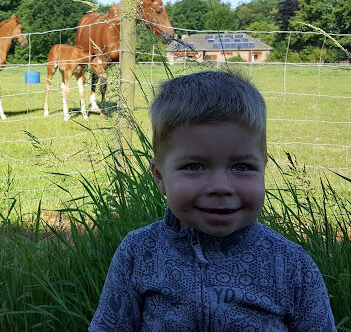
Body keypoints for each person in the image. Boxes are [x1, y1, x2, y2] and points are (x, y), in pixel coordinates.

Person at [89, 70, 336, 331]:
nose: (221, 187)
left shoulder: (291, 264)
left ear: (263, 168)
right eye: (195, 166)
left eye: (241, 167)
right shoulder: (139, 253)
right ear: (160, 176)